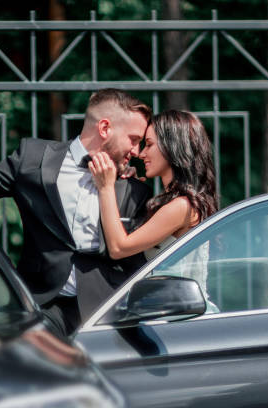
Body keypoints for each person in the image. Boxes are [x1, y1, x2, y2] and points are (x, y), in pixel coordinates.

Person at [0, 88, 153, 337]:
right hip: (39, 306)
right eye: (134, 139)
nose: (137, 152)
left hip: (106, 313)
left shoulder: (134, 190)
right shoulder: (32, 158)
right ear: (105, 128)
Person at [89, 109, 219, 309]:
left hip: (181, 318)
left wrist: (105, 188)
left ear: (172, 146)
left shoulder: (182, 206)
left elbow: (118, 248)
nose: (140, 154)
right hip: (171, 311)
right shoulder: (178, 203)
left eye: (149, 145)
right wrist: (129, 188)